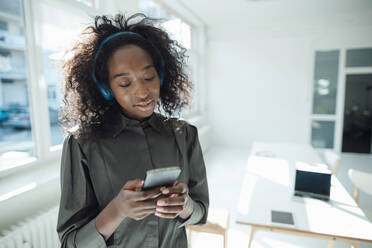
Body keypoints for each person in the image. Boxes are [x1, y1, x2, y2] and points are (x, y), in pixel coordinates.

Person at [56, 13, 209, 248]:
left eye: (149, 76)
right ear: (106, 88)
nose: (142, 92)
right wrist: (116, 211)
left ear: (161, 74)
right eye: (125, 83)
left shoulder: (185, 134)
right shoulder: (82, 144)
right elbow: (70, 243)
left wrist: (186, 206)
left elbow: (201, 214)